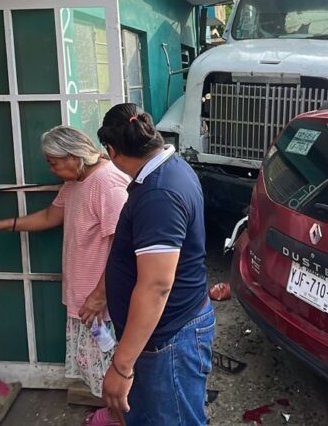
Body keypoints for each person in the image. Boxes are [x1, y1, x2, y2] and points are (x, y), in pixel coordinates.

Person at [0, 126, 130, 426]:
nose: (51, 169)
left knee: (115, 371)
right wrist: (1, 225)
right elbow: (52, 215)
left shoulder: (107, 182)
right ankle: (115, 414)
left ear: (74, 157)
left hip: (102, 302)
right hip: (86, 297)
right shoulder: (76, 182)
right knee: (99, 368)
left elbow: (123, 246)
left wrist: (100, 295)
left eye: (53, 162)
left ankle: (123, 418)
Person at [98, 104, 214, 426]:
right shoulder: (170, 167)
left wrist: (121, 366)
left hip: (170, 337)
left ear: (112, 151)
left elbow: (156, 286)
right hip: (164, 334)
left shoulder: (159, 193)